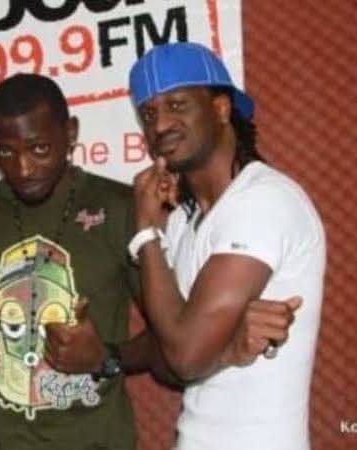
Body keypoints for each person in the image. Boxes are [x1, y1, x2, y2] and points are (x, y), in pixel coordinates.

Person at [0, 73, 300, 450]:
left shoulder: (121, 208)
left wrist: (104, 356)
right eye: (5, 153)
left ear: (71, 134)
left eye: (39, 149)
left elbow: (170, 343)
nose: (23, 168)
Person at [128, 42, 325, 450]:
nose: (160, 124)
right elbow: (164, 361)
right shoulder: (181, 222)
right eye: (148, 114)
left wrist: (146, 232)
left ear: (220, 109)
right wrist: (227, 350)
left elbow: (184, 356)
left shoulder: (263, 200)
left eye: (177, 105)